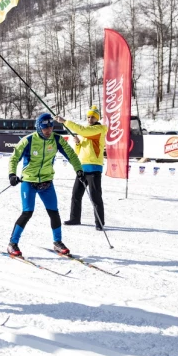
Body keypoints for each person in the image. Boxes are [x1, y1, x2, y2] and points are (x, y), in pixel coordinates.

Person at [7, 113, 84, 257]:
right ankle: (12, 243)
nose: (48, 131)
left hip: (47, 182)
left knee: (54, 212)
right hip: (29, 182)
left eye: (50, 127)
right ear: (38, 127)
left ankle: (58, 242)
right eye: (45, 128)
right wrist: (12, 174)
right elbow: (14, 158)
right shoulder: (28, 140)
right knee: (27, 212)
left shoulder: (56, 139)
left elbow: (71, 155)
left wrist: (79, 170)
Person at [55, 105, 108, 230]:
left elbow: (83, 131)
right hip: (82, 167)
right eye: (89, 117)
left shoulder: (99, 129)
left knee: (95, 196)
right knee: (76, 194)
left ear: (97, 118)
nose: (90, 119)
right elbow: (79, 152)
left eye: (93, 117)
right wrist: (78, 143)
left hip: (94, 168)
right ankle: (75, 218)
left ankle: (99, 222)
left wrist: (64, 122)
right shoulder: (86, 132)